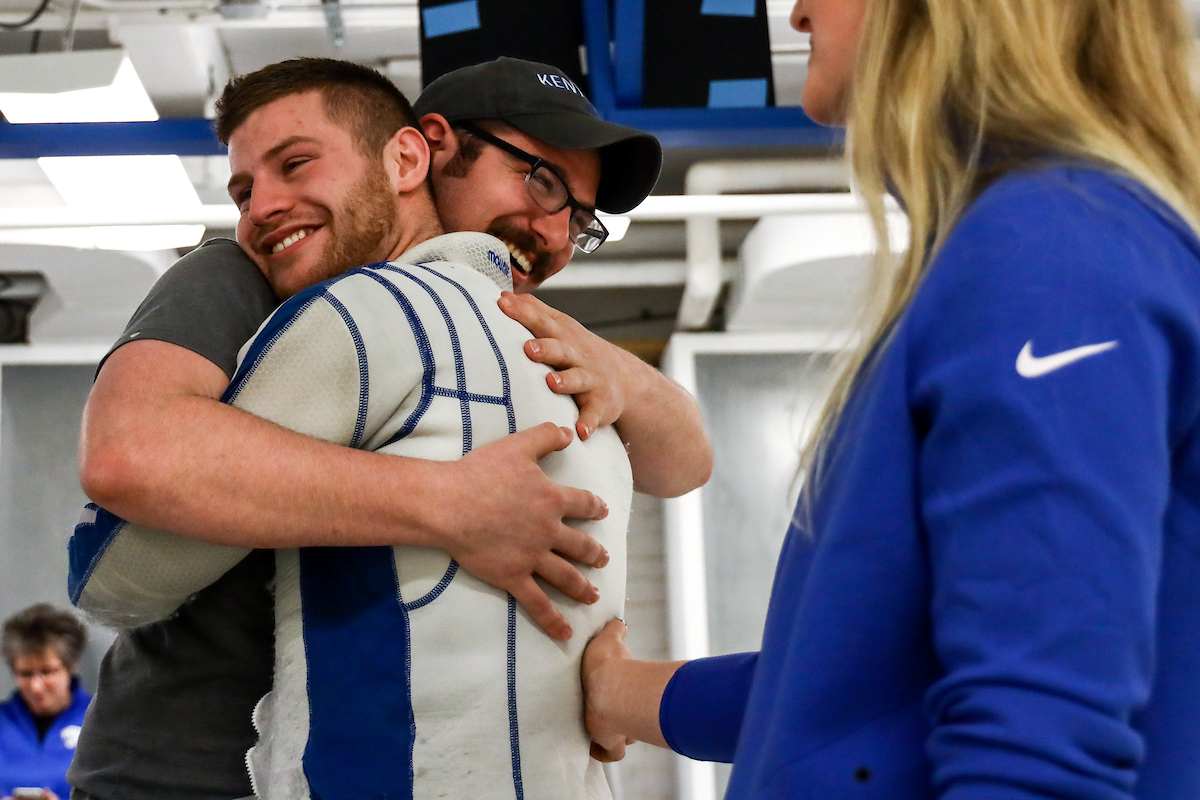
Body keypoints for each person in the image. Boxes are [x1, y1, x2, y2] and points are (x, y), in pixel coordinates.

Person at [582, 0, 1200, 797]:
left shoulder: (1053, 252)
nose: (798, 13)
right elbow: (860, 696)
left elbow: (1033, 747)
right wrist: (618, 692)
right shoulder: (1040, 242)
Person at [66, 57, 710, 800]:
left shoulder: (512, 335)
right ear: (422, 152)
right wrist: (448, 503)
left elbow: (685, 463)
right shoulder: (245, 279)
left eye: (580, 220)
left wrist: (623, 372)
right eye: (539, 181)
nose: (554, 232)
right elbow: (129, 462)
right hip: (176, 769)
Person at [0, 605, 90, 800]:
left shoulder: (99, 721)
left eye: (47, 672)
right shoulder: (2, 720)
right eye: (25, 674)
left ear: (70, 667)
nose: (36, 687)